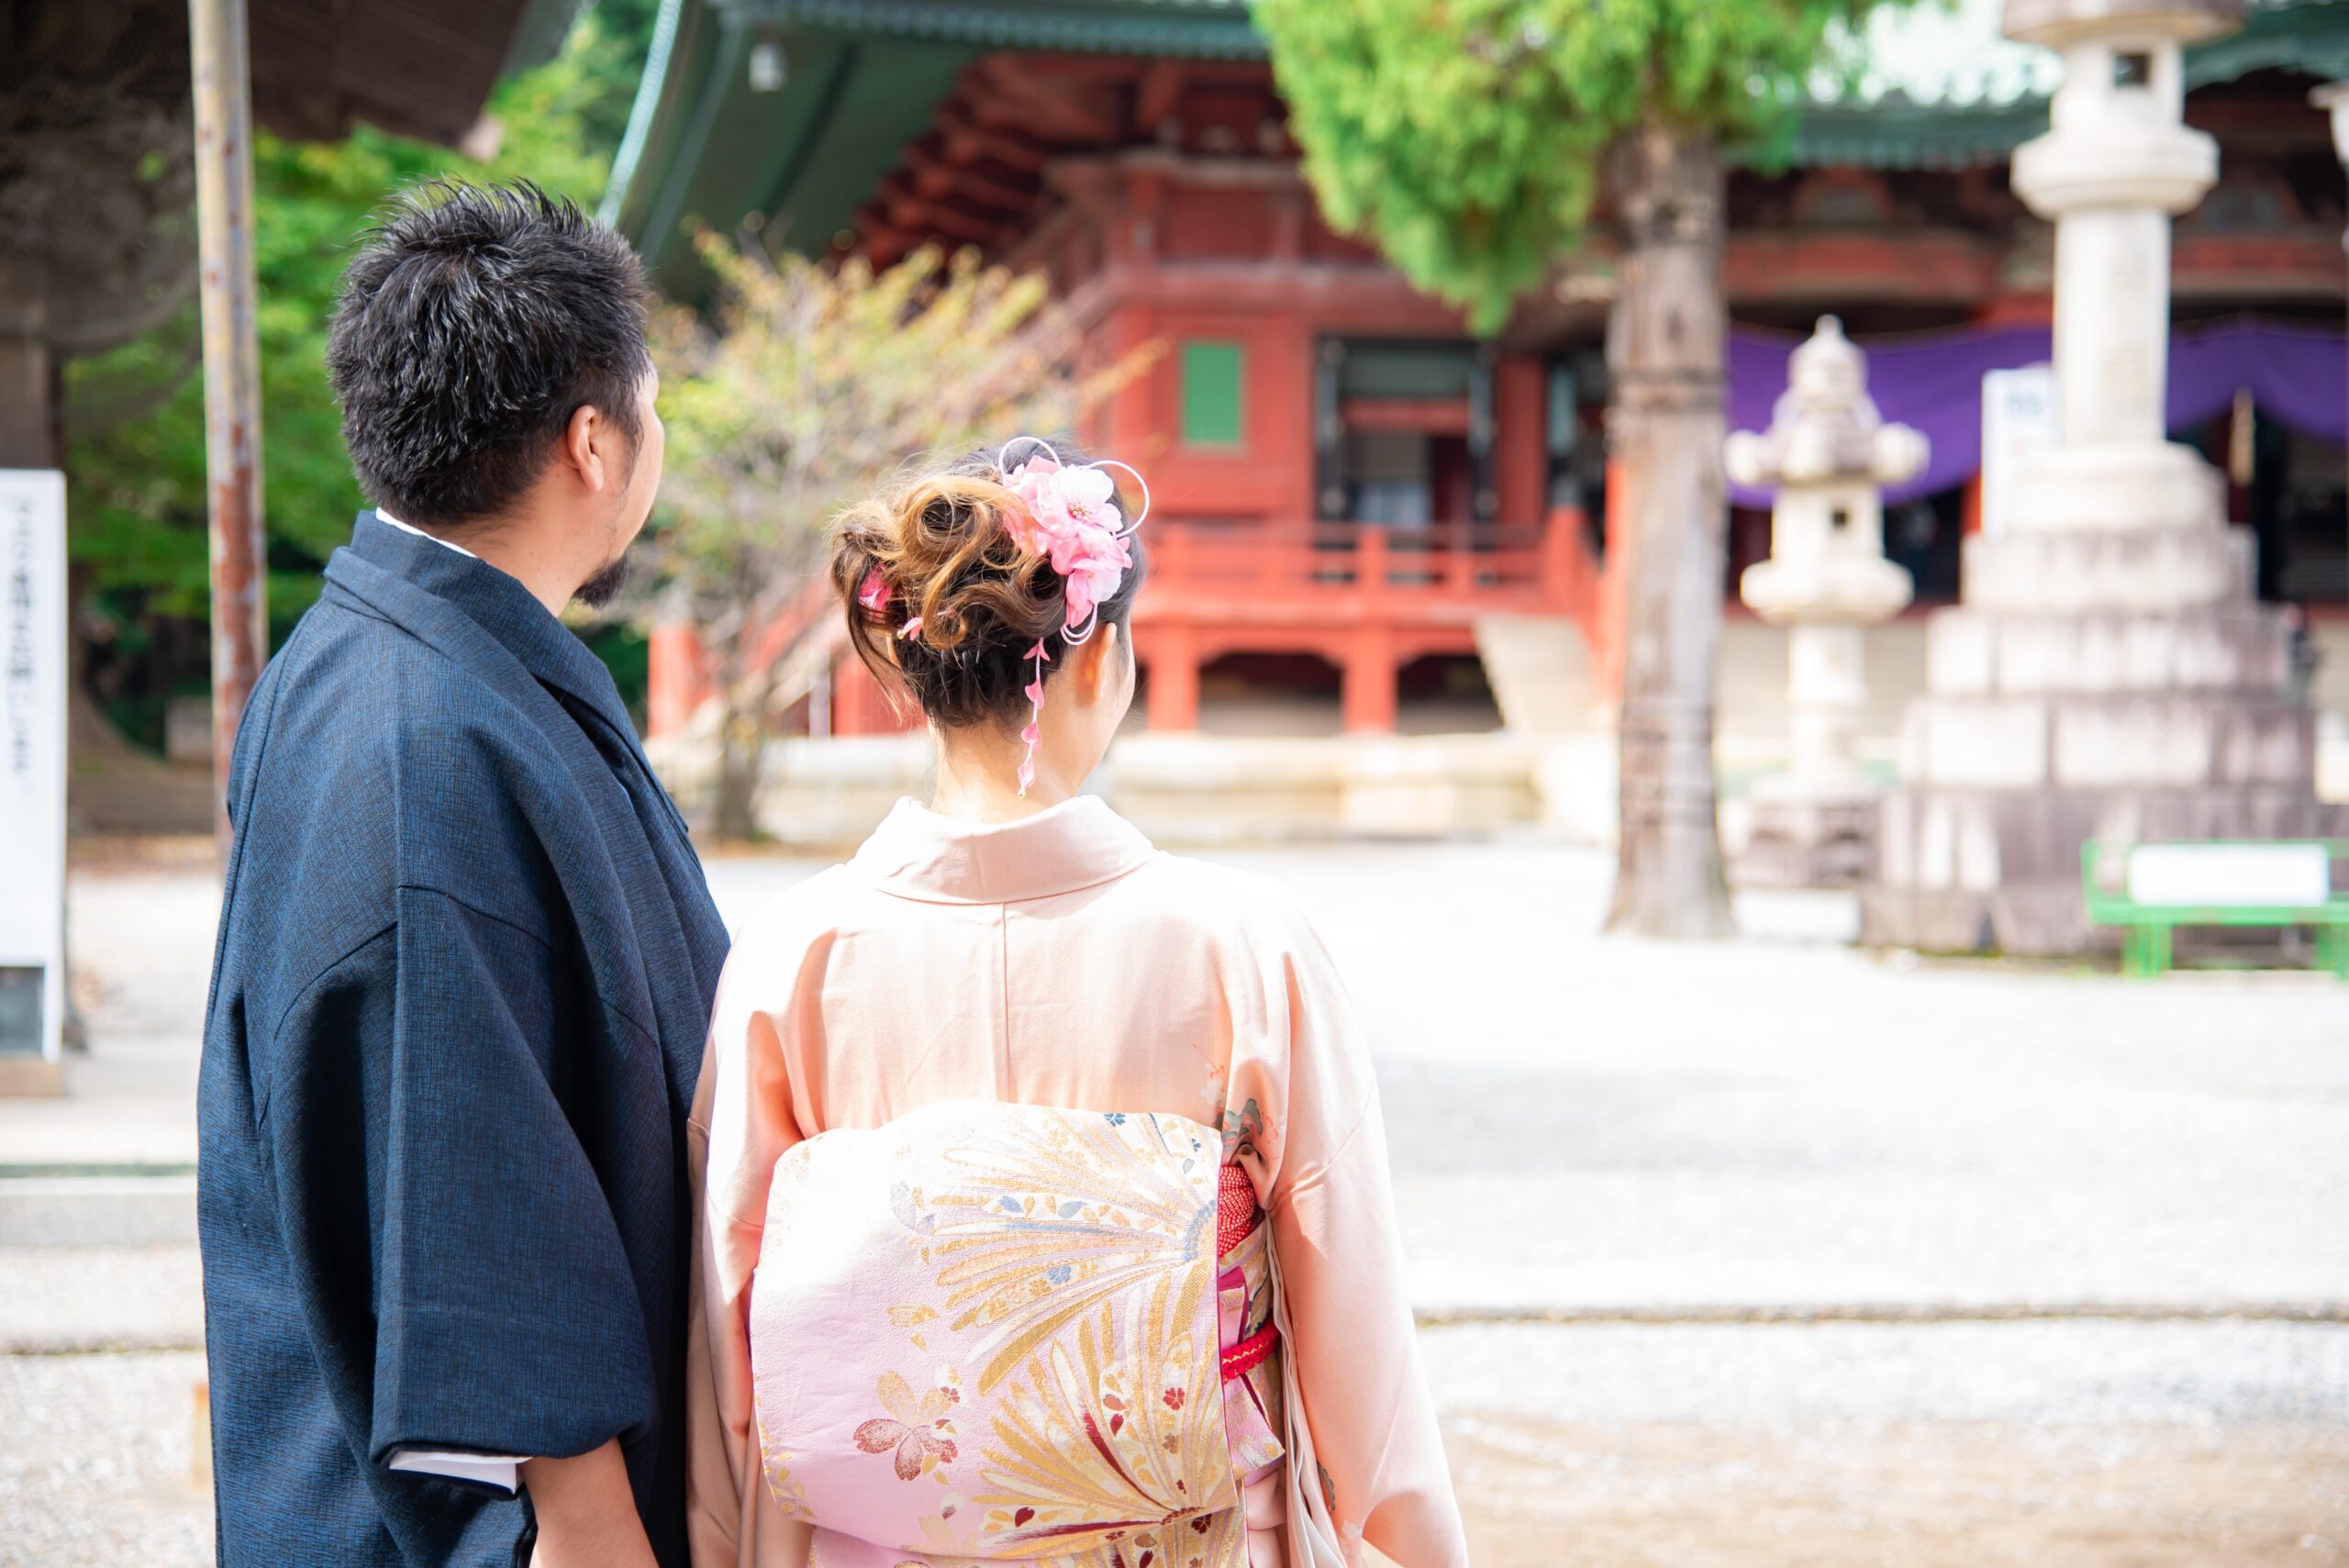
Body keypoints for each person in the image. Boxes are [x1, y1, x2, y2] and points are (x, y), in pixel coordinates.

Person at [687, 439, 1468, 1568]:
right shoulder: (1243, 945)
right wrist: (1415, 1539)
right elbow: (1360, 1343)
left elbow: (733, 1327)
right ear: (1098, 660)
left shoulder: (789, 957)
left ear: (911, 673)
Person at [197, 181, 729, 1568]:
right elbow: (464, 1155)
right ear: (594, 441)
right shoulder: (416, 743)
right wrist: (592, 1524)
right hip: (499, 1529)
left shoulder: (391, 654)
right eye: (655, 405)